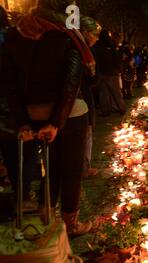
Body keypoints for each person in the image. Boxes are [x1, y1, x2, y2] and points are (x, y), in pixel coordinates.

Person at [2, 0, 95, 236]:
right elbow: (71, 82)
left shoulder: (13, 36)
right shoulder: (65, 35)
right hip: (68, 115)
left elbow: (9, 85)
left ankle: (47, 214)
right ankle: (70, 223)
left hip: (32, 115)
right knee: (72, 170)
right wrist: (56, 123)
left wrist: (23, 121)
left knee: (50, 168)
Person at [0, 5, 39, 213]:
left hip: (5, 110)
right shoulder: (13, 40)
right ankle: (23, 196)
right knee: (28, 150)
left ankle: (19, 193)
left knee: (10, 153)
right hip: (16, 106)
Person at [80, 16, 101, 178]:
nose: (96, 38)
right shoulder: (81, 51)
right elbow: (89, 79)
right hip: (81, 100)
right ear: (86, 32)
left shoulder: (82, 49)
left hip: (81, 98)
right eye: (94, 34)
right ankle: (83, 168)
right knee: (85, 134)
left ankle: (82, 166)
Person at [93, 29, 126, 116]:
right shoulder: (110, 44)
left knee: (104, 93)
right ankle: (120, 108)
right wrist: (118, 68)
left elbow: (96, 59)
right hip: (112, 72)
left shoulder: (97, 45)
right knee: (116, 92)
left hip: (102, 72)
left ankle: (106, 110)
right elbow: (115, 57)